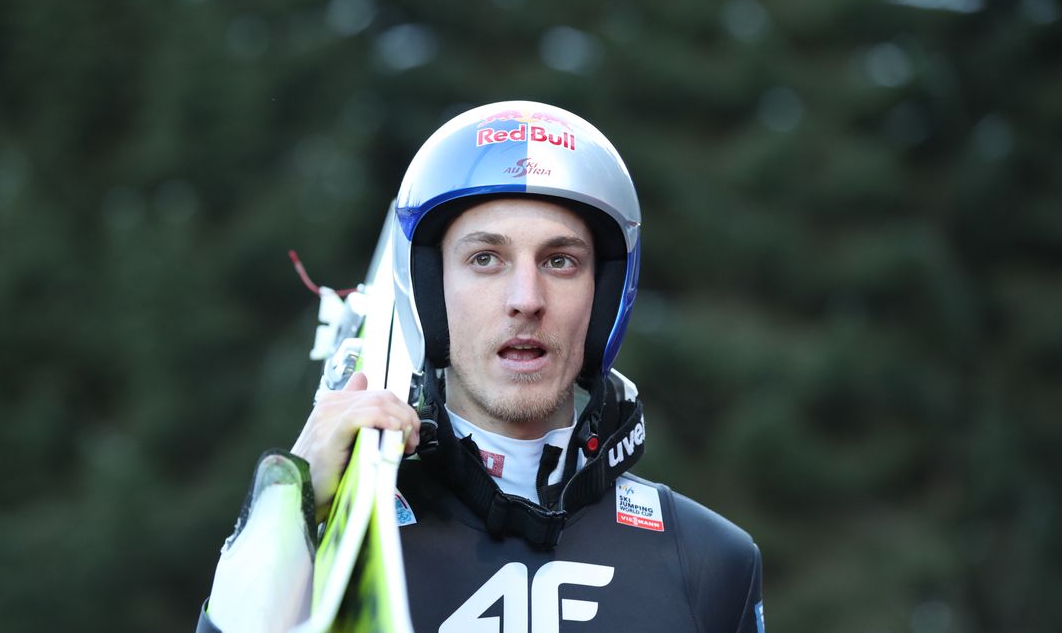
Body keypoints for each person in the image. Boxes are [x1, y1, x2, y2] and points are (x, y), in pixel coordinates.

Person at [196, 101, 765, 632]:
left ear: (605, 295)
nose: (526, 297)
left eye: (560, 261)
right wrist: (285, 510)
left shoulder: (711, 562)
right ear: (431, 291)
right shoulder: (330, 539)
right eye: (485, 258)